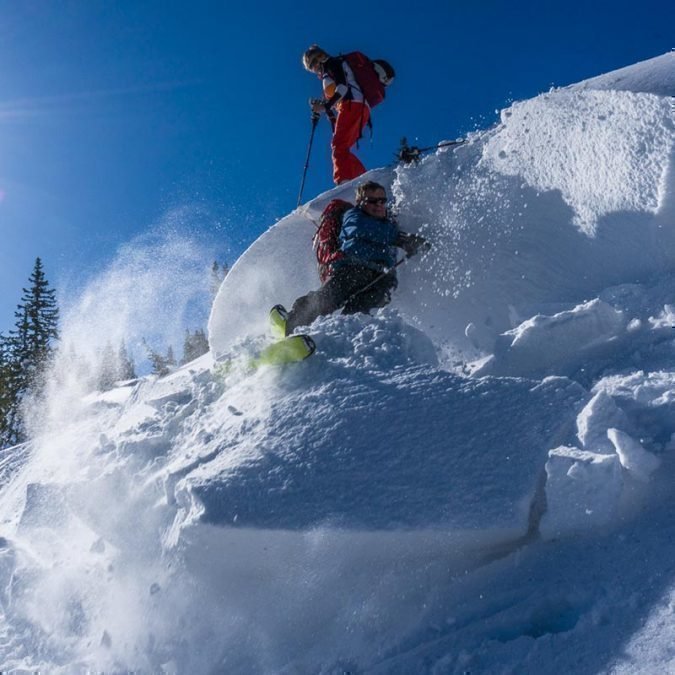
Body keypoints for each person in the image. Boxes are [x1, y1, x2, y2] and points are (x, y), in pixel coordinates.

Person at [271, 181, 428, 337]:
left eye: (382, 200)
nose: (379, 204)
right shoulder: (354, 216)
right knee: (325, 300)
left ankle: (340, 338)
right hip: (354, 269)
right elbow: (362, 230)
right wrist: (401, 239)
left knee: (361, 313)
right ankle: (291, 323)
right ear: (360, 203)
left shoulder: (388, 223)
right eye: (372, 201)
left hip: (383, 278)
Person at [302, 45, 371, 185]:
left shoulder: (332, 63)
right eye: (310, 68)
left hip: (353, 104)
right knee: (341, 147)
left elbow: (343, 88)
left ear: (320, 57)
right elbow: (336, 104)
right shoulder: (327, 74)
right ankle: (365, 182)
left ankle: (344, 182)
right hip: (357, 106)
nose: (314, 69)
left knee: (339, 146)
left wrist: (325, 106)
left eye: (313, 64)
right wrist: (325, 110)